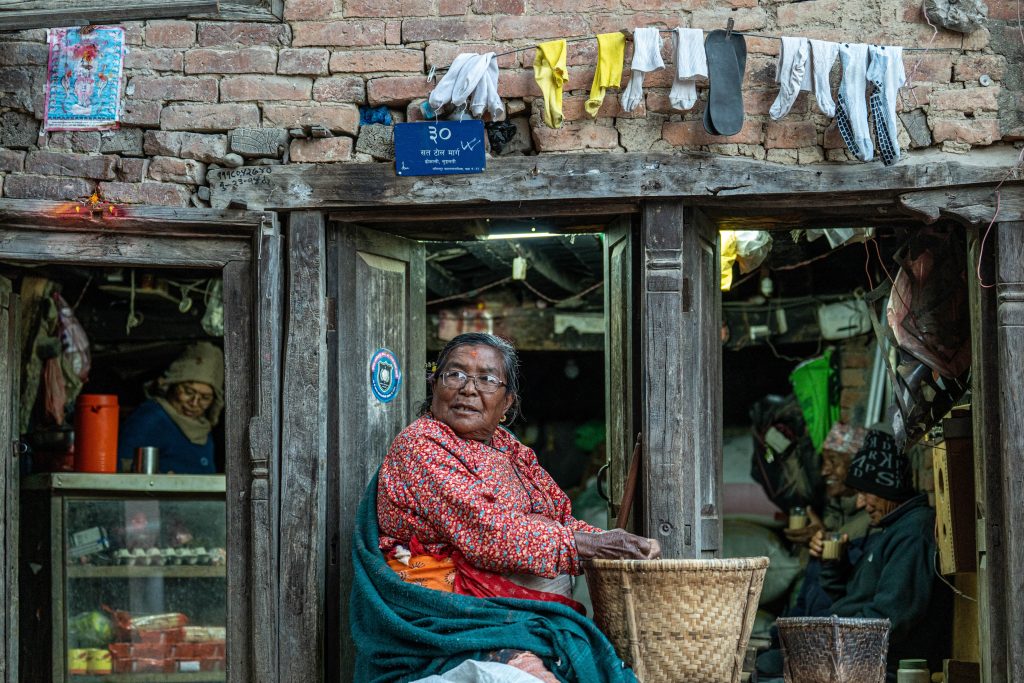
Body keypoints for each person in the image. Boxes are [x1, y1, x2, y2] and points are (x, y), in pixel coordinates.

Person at [351, 333, 660, 683]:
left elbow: (559, 517)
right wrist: (588, 546)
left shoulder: (507, 448)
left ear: (507, 402)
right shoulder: (421, 446)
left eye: (487, 379)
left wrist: (610, 542)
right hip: (453, 619)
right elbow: (490, 532)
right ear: (434, 384)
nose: (468, 389)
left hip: (511, 613)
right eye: (455, 375)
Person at [757, 429, 949, 678]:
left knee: (768, 668)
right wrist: (834, 564)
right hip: (856, 652)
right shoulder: (890, 530)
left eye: (866, 492)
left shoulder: (912, 533)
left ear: (887, 488)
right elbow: (848, 599)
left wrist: (817, 644)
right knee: (767, 659)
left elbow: (889, 620)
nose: (860, 503)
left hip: (879, 665)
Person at [117, 342, 224, 474]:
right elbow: (121, 465)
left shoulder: (203, 427)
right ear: (172, 386)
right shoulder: (152, 417)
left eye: (205, 397)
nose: (195, 403)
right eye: (188, 392)